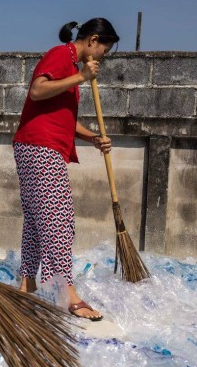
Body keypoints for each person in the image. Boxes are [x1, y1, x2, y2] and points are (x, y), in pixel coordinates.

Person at [12, 18, 119, 321]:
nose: (103, 57)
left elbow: (64, 119)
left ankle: (27, 281)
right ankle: (66, 292)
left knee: (37, 220)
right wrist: (82, 76)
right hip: (40, 147)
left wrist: (93, 138)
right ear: (93, 40)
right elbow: (37, 90)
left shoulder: (73, 69)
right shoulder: (62, 56)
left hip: (38, 147)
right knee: (59, 219)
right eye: (104, 50)